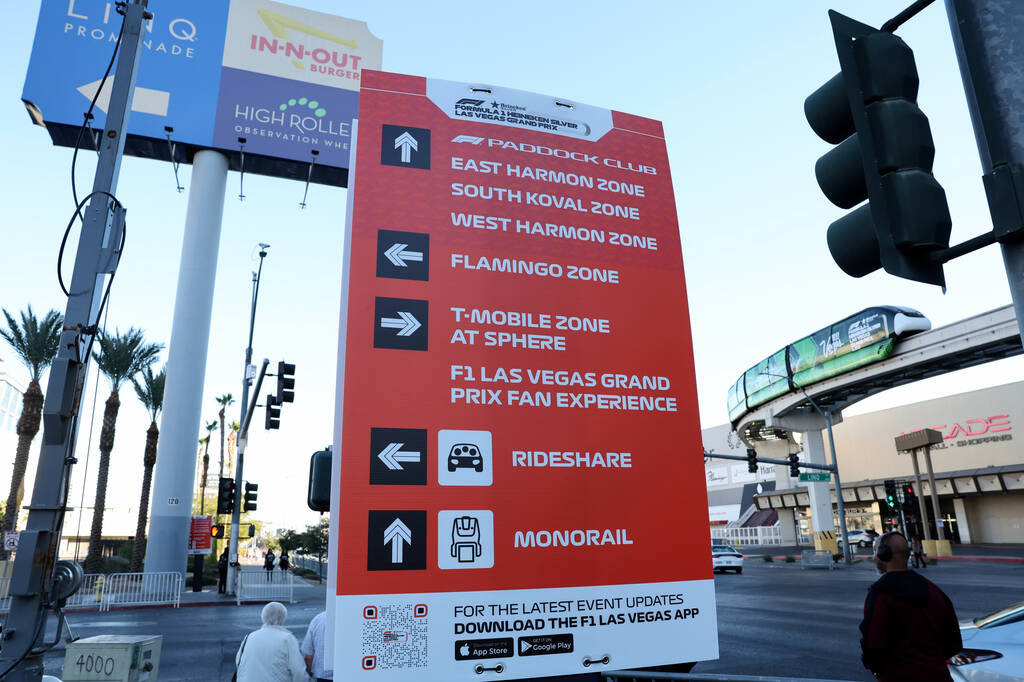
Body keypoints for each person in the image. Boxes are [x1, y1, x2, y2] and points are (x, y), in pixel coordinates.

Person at [859, 531, 961, 681]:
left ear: (884, 554)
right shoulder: (934, 590)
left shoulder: (880, 594)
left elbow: (873, 645)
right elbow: (954, 642)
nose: (874, 556)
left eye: (875, 551)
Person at [234, 601, 308, 682]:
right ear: (283, 617)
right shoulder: (287, 639)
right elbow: (299, 671)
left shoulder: (249, 637)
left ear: (263, 616)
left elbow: (239, 663)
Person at [300, 610, 332, 681]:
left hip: (323, 676)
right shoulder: (356, 617)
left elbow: (308, 655)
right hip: (350, 675)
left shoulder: (318, 619)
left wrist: (308, 674)